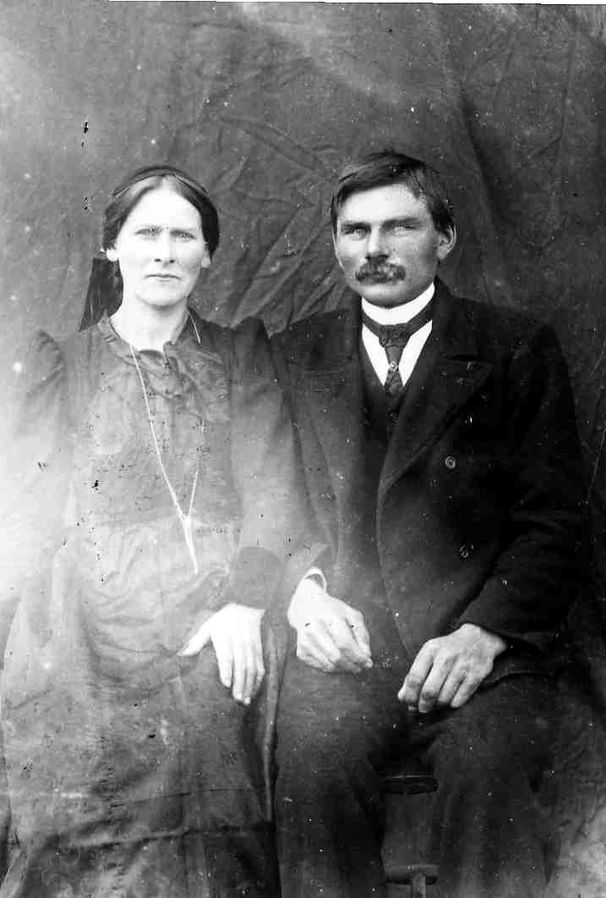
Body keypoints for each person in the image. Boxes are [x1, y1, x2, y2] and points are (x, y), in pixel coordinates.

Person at [271, 150, 587, 898]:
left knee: (487, 771)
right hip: (350, 649)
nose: (375, 249)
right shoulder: (293, 354)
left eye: (400, 226)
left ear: (444, 237)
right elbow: (269, 504)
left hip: (480, 650)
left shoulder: (515, 348)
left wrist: (486, 633)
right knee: (310, 769)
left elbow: (555, 521)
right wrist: (303, 597)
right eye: (355, 231)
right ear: (336, 245)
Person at [0, 164, 312, 897]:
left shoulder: (241, 355)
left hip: (221, 606)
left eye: (182, 236)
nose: (164, 252)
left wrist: (246, 603)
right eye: (146, 234)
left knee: (209, 736)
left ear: (207, 253)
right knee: (75, 763)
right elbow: (29, 515)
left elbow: (274, 485)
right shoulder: (64, 364)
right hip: (88, 619)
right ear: (113, 249)